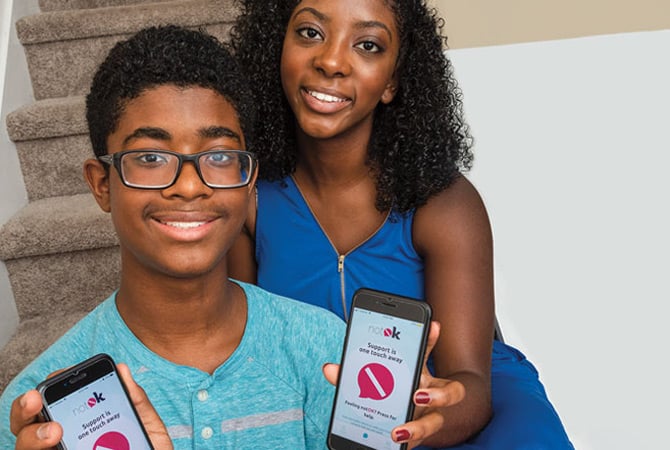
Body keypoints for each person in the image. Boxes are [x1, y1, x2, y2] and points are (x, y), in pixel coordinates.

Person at [228, 0, 574, 448]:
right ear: (277, 48)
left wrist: (412, 427)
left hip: (455, 404)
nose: (331, 61)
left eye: (367, 44)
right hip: (323, 411)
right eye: (310, 33)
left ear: (391, 81)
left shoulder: (444, 203)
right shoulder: (248, 200)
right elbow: (247, 359)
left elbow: (470, 379)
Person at [0, 25, 347, 450]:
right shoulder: (38, 409)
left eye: (218, 155)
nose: (187, 186)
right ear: (101, 185)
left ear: (249, 180)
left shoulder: (325, 349)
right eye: (150, 157)